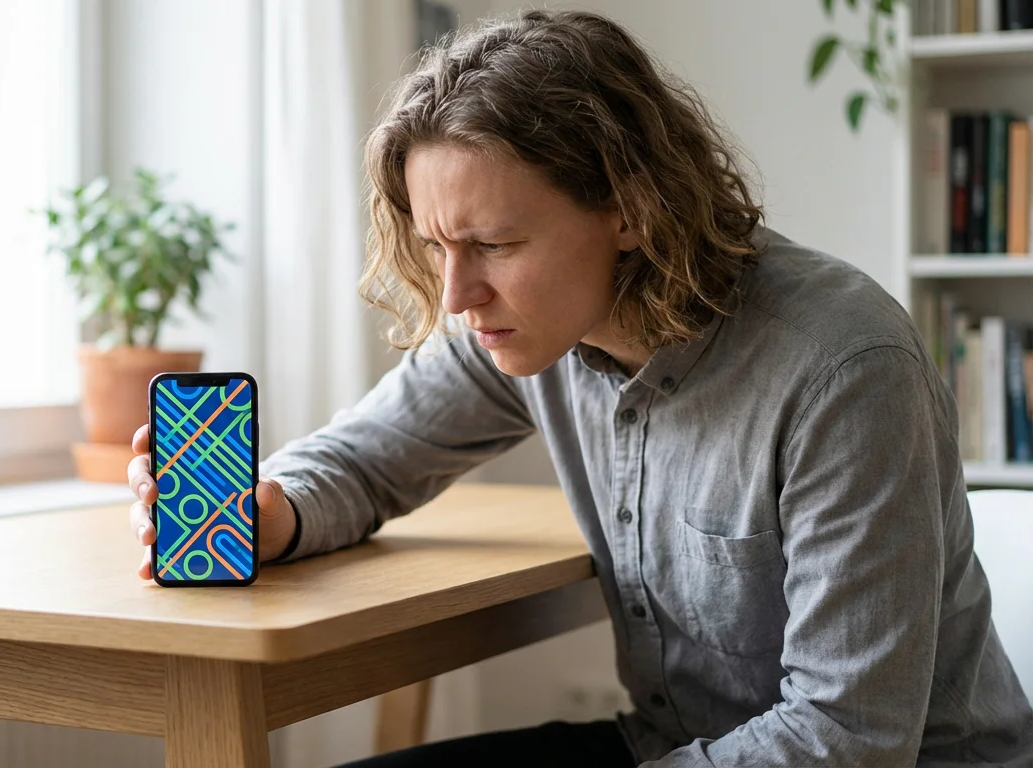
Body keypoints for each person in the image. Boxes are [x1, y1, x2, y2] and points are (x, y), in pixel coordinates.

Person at [125, 9, 1033, 766]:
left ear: (631, 210)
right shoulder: (525, 327)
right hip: (671, 745)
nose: (455, 294)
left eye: (494, 245)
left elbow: (849, 737)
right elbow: (361, 460)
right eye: (439, 246)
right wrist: (268, 511)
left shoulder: (842, 368)